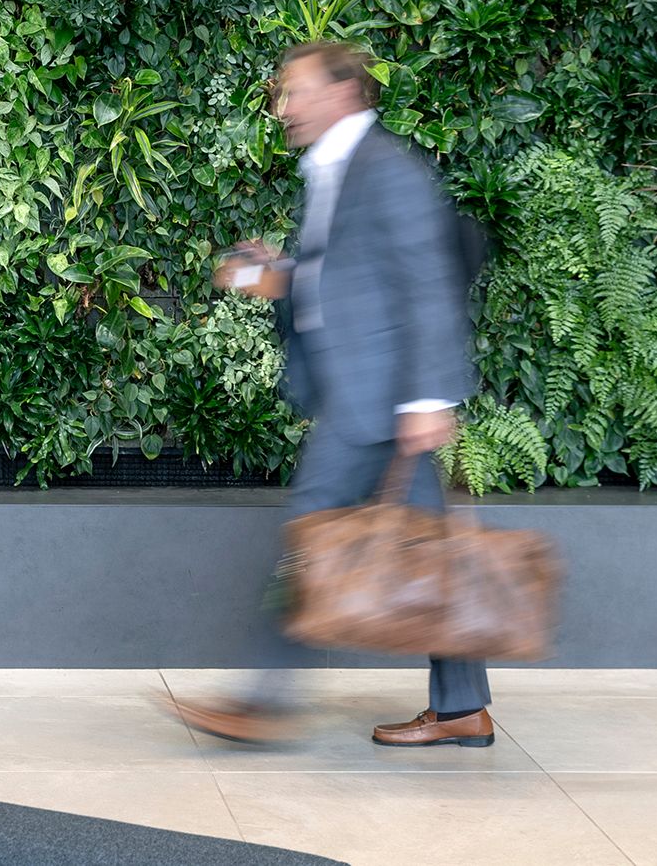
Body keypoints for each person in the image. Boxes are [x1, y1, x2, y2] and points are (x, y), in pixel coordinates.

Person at [170, 40, 495, 749]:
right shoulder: (336, 168)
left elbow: (427, 280)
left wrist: (428, 398)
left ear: (343, 93)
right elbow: (350, 277)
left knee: (308, 539)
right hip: (370, 392)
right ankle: (463, 705)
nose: (284, 107)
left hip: (377, 399)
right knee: (433, 549)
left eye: (296, 91)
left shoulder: (386, 168)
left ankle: (261, 700)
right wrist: (277, 273)